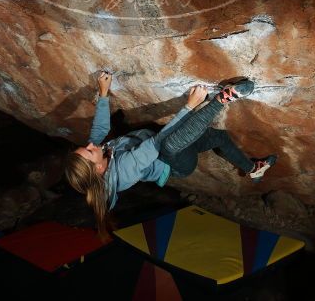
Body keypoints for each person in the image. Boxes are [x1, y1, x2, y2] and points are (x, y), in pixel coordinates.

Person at [64, 71, 277, 238]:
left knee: (218, 138)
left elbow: (98, 132)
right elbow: (157, 143)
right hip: (176, 163)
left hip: (176, 142)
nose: (92, 144)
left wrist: (103, 93)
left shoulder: (97, 155)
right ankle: (223, 98)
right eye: (90, 151)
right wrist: (189, 107)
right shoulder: (124, 170)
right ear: (100, 168)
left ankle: (253, 170)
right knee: (168, 144)